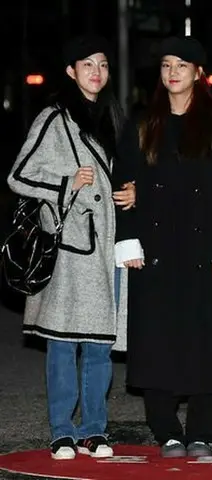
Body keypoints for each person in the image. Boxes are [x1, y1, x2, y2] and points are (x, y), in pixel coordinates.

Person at [6, 35, 135, 460]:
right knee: (62, 342)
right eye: (87, 64)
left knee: (99, 343)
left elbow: (122, 174)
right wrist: (65, 183)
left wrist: (132, 192)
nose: (96, 72)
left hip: (106, 246)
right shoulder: (53, 117)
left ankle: (94, 429)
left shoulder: (115, 117)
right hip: (69, 247)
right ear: (70, 71)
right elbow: (19, 175)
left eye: (102, 65)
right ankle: (62, 430)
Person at [113, 36, 212, 458]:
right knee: (157, 337)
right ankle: (165, 428)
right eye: (166, 64)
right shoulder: (142, 123)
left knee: (206, 336)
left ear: (198, 74)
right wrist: (127, 237)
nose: (172, 72)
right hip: (155, 246)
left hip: (205, 245)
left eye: (181, 65)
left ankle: (202, 431)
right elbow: (124, 183)